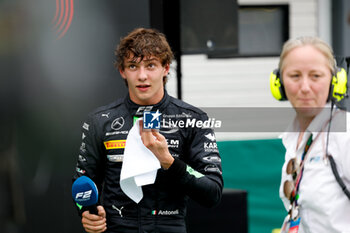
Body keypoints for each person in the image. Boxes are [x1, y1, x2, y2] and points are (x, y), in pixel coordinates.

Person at [73, 28, 223, 233]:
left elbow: (212, 193)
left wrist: (168, 161)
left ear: (166, 68)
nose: (142, 76)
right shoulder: (99, 121)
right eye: (133, 66)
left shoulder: (193, 119)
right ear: (122, 71)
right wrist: (88, 213)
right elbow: (82, 183)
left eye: (151, 65)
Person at [270, 36, 350, 232]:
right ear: (278, 83)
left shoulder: (345, 133)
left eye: (316, 76)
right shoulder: (293, 139)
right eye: (295, 76)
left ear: (336, 81)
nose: (305, 87)